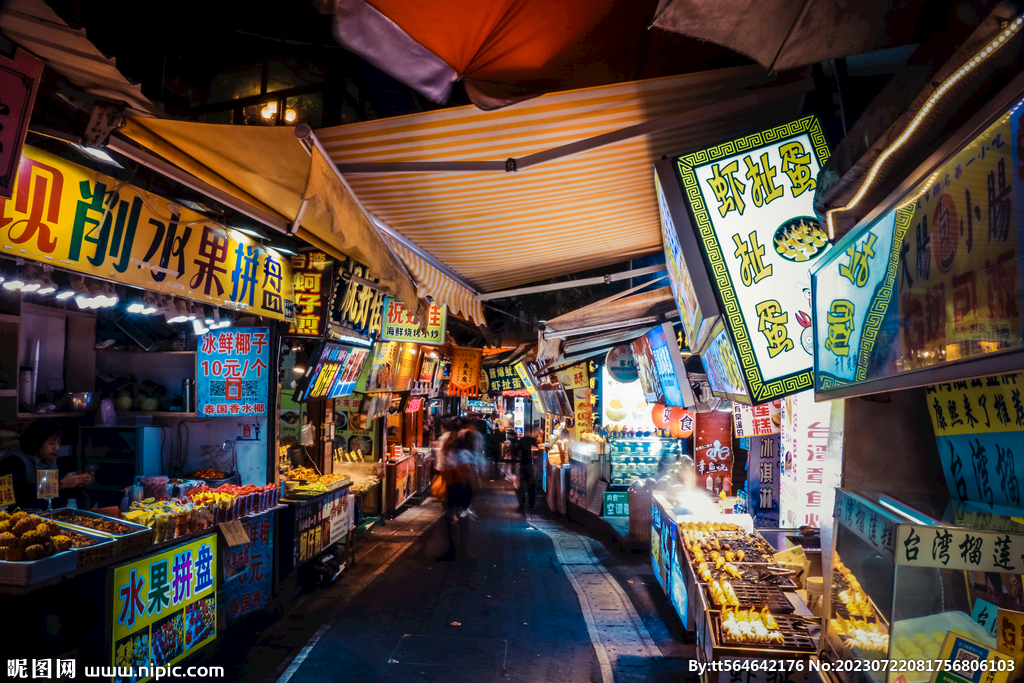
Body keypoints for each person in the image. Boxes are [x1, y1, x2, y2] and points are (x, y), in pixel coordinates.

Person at [0, 418, 93, 509]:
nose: (56, 448)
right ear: (37, 441)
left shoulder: (47, 461)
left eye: (58, 443)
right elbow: (21, 497)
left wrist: (78, 482)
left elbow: (57, 494)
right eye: (52, 443)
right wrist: (61, 484)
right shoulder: (13, 461)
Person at [435, 429, 479, 561]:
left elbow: (466, 471)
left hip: (458, 489)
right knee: (457, 517)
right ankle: (457, 548)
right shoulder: (463, 453)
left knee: (453, 517)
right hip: (460, 489)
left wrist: (454, 471)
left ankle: (455, 550)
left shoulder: (460, 454)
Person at [515, 434, 539, 511]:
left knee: (522, 486)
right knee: (531, 486)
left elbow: (516, 451)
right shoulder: (532, 440)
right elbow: (537, 448)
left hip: (523, 465)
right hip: (530, 466)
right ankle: (531, 505)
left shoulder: (522, 440)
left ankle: (521, 505)